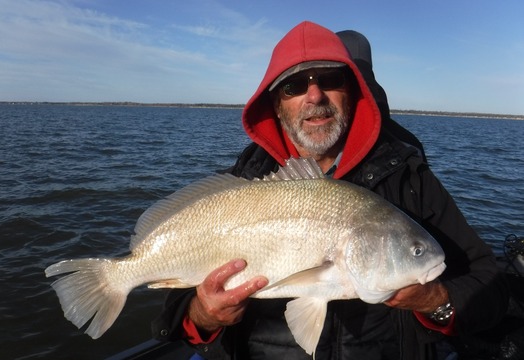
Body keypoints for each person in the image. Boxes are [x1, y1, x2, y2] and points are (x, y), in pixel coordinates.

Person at [152, 21, 509, 360]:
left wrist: (434, 300)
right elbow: (175, 321)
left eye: (330, 79)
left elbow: (490, 286)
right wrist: (204, 314)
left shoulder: (409, 179)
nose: (314, 95)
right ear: (276, 104)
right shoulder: (242, 185)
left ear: (351, 92)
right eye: (293, 86)